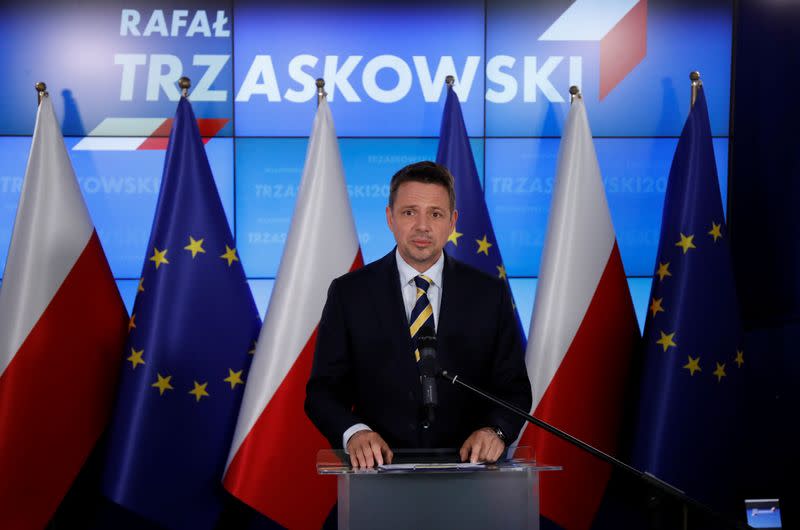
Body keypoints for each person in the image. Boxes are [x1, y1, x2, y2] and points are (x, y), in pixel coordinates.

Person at [304, 161, 531, 468]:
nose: (422, 226)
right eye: (410, 212)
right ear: (390, 218)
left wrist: (496, 430)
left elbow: (514, 390)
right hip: (378, 477)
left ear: (452, 222)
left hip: (471, 478)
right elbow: (322, 392)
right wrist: (354, 433)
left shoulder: (489, 294)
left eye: (435, 214)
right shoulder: (350, 293)